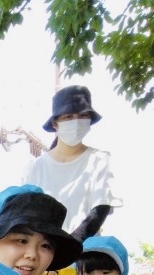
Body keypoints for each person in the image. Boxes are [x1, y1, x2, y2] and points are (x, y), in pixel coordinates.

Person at [21, 84, 118, 235]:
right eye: (68, 117)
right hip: (44, 245)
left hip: (85, 246)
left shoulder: (100, 160)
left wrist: (74, 241)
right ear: (55, 123)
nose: (77, 121)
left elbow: (101, 208)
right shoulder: (34, 168)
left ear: (90, 120)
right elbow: (26, 215)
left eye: (83, 116)